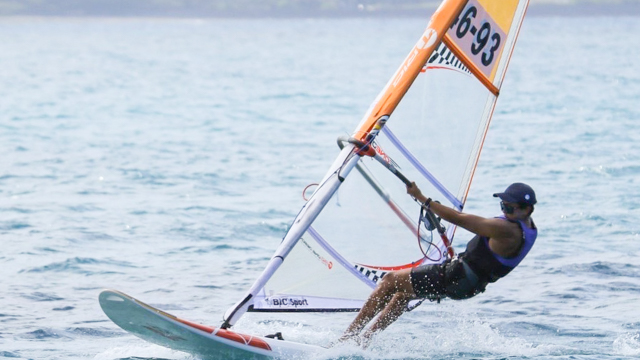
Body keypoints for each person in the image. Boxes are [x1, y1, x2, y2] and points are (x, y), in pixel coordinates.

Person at [338, 182, 538, 347]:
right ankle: (364, 341)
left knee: (390, 281)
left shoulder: (506, 230)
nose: (504, 210)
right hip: (467, 285)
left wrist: (422, 198)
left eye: (509, 207)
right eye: (503, 206)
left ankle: (345, 341)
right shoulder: (529, 229)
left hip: (455, 276)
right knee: (402, 293)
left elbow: (459, 218)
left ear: (526, 209)